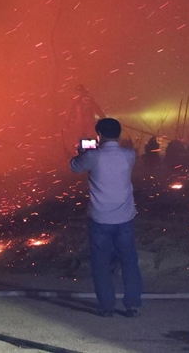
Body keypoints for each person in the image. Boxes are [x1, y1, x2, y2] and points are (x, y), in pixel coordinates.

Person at [70, 118, 142, 318]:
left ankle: (107, 306)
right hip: (125, 217)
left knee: (100, 263)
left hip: (100, 218)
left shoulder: (94, 156)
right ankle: (132, 304)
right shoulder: (129, 155)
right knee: (129, 261)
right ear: (118, 134)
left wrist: (81, 152)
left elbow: (74, 167)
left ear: (99, 135)